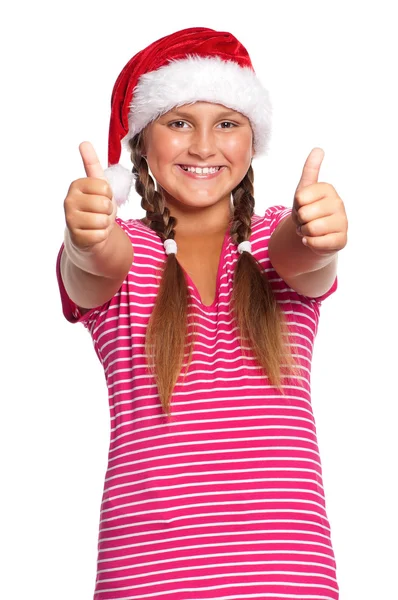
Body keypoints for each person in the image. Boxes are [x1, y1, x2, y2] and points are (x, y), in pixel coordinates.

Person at [56, 26, 347, 600]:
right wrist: (83, 240)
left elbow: (304, 256)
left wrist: (319, 233)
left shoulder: (271, 243)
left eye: (228, 124)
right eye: (180, 122)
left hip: (285, 574)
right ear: (142, 141)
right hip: (146, 574)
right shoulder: (127, 251)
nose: (204, 146)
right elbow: (95, 266)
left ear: (251, 139)